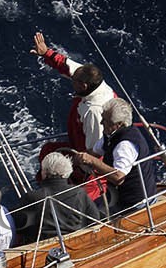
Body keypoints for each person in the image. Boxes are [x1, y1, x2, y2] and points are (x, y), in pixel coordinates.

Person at [31, 32, 116, 170]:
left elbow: (95, 150)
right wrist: (46, 53)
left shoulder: (94, 111)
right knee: (48, 151)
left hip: (88, 160)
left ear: (84, 86)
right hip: (78, 140)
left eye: (74, 81)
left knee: (53, 165)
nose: (71, 81)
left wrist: (80, 166)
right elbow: (67, 66)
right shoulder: (93, 80)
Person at [70, 99, 163, 217]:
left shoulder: (125, 145)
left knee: (89, 218)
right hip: (117, 195)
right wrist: (74, 161)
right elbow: (94, 153)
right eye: (102, 118)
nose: (101, 122)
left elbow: (118, 177)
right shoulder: (110, 135)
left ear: (118, 124)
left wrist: (92, 161)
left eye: (106, 121)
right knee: (85, 209)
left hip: (134, 203)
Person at [12, 151, 104, 244]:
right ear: (67, 172)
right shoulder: (79, 193)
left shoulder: (33, 197)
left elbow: (18, 225)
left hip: (42, 250)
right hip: (76, 244)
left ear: (44, 172)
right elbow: (94, 220)